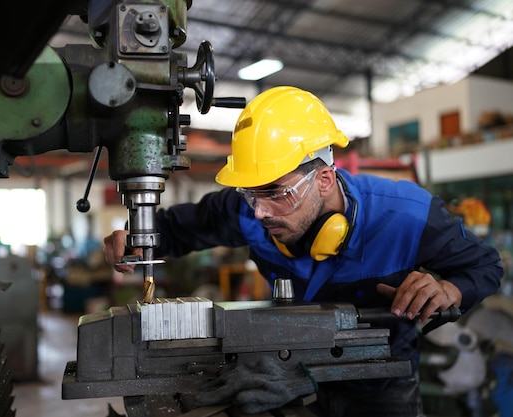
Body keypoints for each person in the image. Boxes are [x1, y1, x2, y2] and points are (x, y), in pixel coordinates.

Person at [103, 86, 503, 416]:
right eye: (250, 193)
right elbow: (179, 228)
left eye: (277, 193)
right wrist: (137, 236)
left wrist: (452, 288)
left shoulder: (406, 216)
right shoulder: (245, 210)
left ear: (325, 178)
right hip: (285, 371)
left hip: (378, 384)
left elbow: (484, 266)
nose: (259, 211)